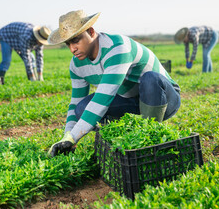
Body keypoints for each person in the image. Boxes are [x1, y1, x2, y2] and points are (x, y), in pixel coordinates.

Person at [47, 10, 181, 157]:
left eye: (76, 40)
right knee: (81, 108)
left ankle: (150, 139)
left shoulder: (117, 47)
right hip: (131, 100)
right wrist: (67, 137)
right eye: (68, 44)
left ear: (91, 32)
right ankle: (121, 139)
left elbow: (103, 98)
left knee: (150, 79)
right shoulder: (76, 65)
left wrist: (73, 137)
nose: (72, 49)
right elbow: (75, 103)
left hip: (164, 99)